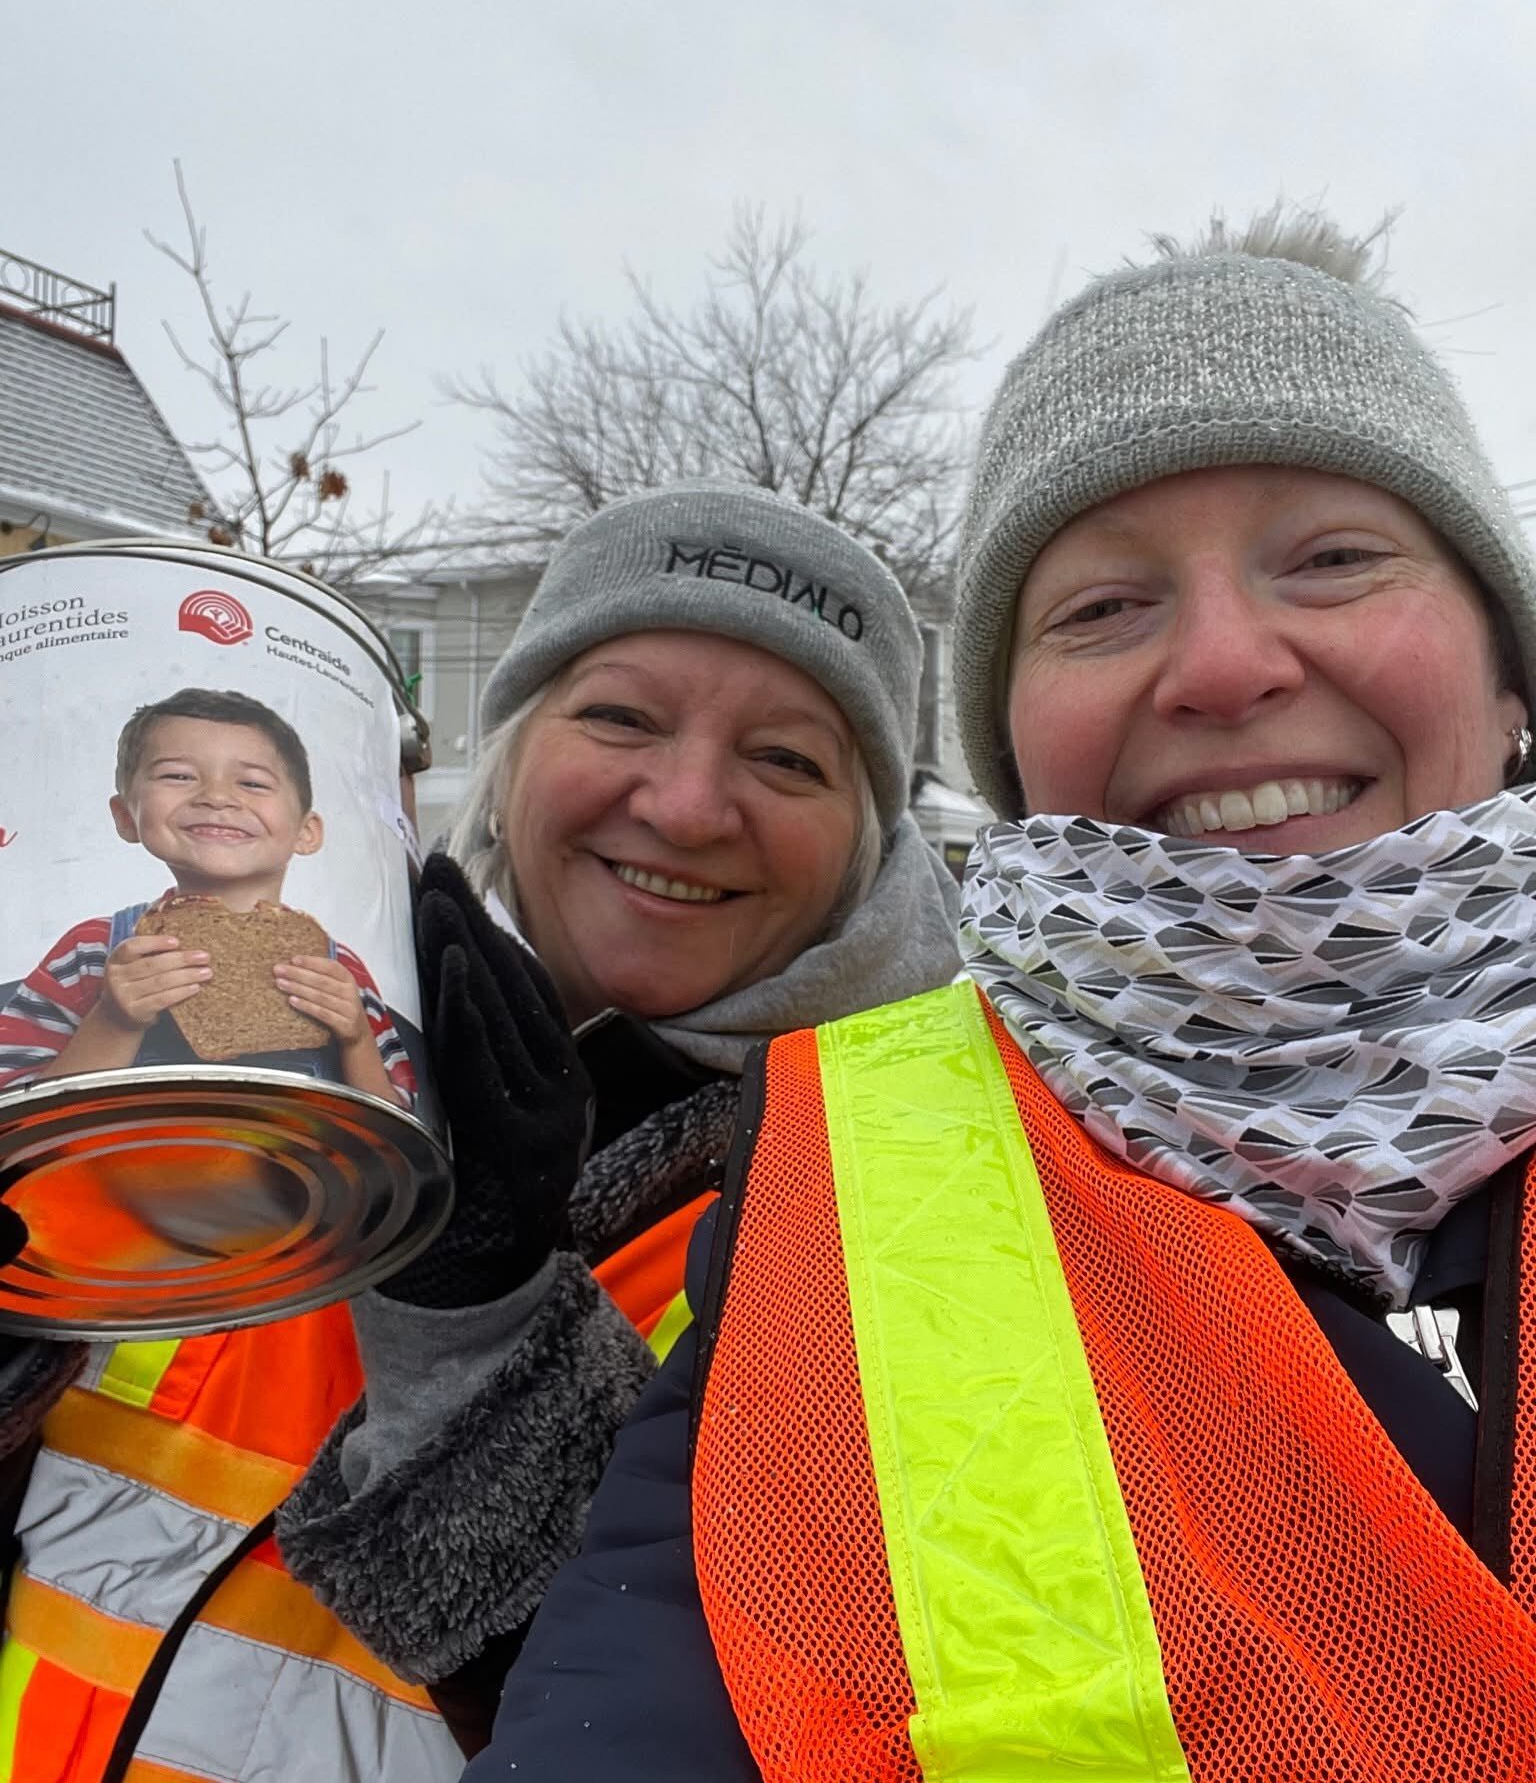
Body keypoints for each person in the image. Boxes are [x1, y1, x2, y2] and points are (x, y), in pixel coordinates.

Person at [474, 212, 1536, 1781]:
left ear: (1511, 675)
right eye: (1102, 606)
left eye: (1334, 557)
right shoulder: (859, 1176)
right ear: (1012, 752)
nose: (1224, 665)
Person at [0, 483, 959, 1783]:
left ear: (870, 846)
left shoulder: (908, 1205)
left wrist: (488, 1319)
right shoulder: (284, 1038)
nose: (684, 806)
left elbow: (726, 1713)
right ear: (506, 760)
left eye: (788, 759)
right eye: (620, 716)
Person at [0, 686, 414, 1105]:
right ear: (127, 817)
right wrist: (113, 1021)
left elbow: (400, 1125)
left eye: (253, 782)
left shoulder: (337, 970)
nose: (216, 797)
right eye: (178, 776)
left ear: (306, 832)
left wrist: (356, 1038)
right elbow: (14, 1110)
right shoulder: (89, 952)